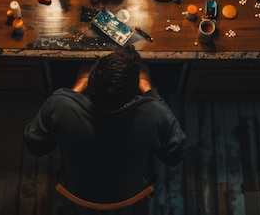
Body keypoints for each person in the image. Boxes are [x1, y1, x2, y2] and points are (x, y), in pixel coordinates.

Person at [23, 46, 187, 204]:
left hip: (77, 192)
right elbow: (174, 156)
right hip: (131, 196)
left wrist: (76, 87)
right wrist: (148, 87)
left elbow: (35, 144)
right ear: (133, 94)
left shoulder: (60, 105)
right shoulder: (153, 113)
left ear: (91, 82)